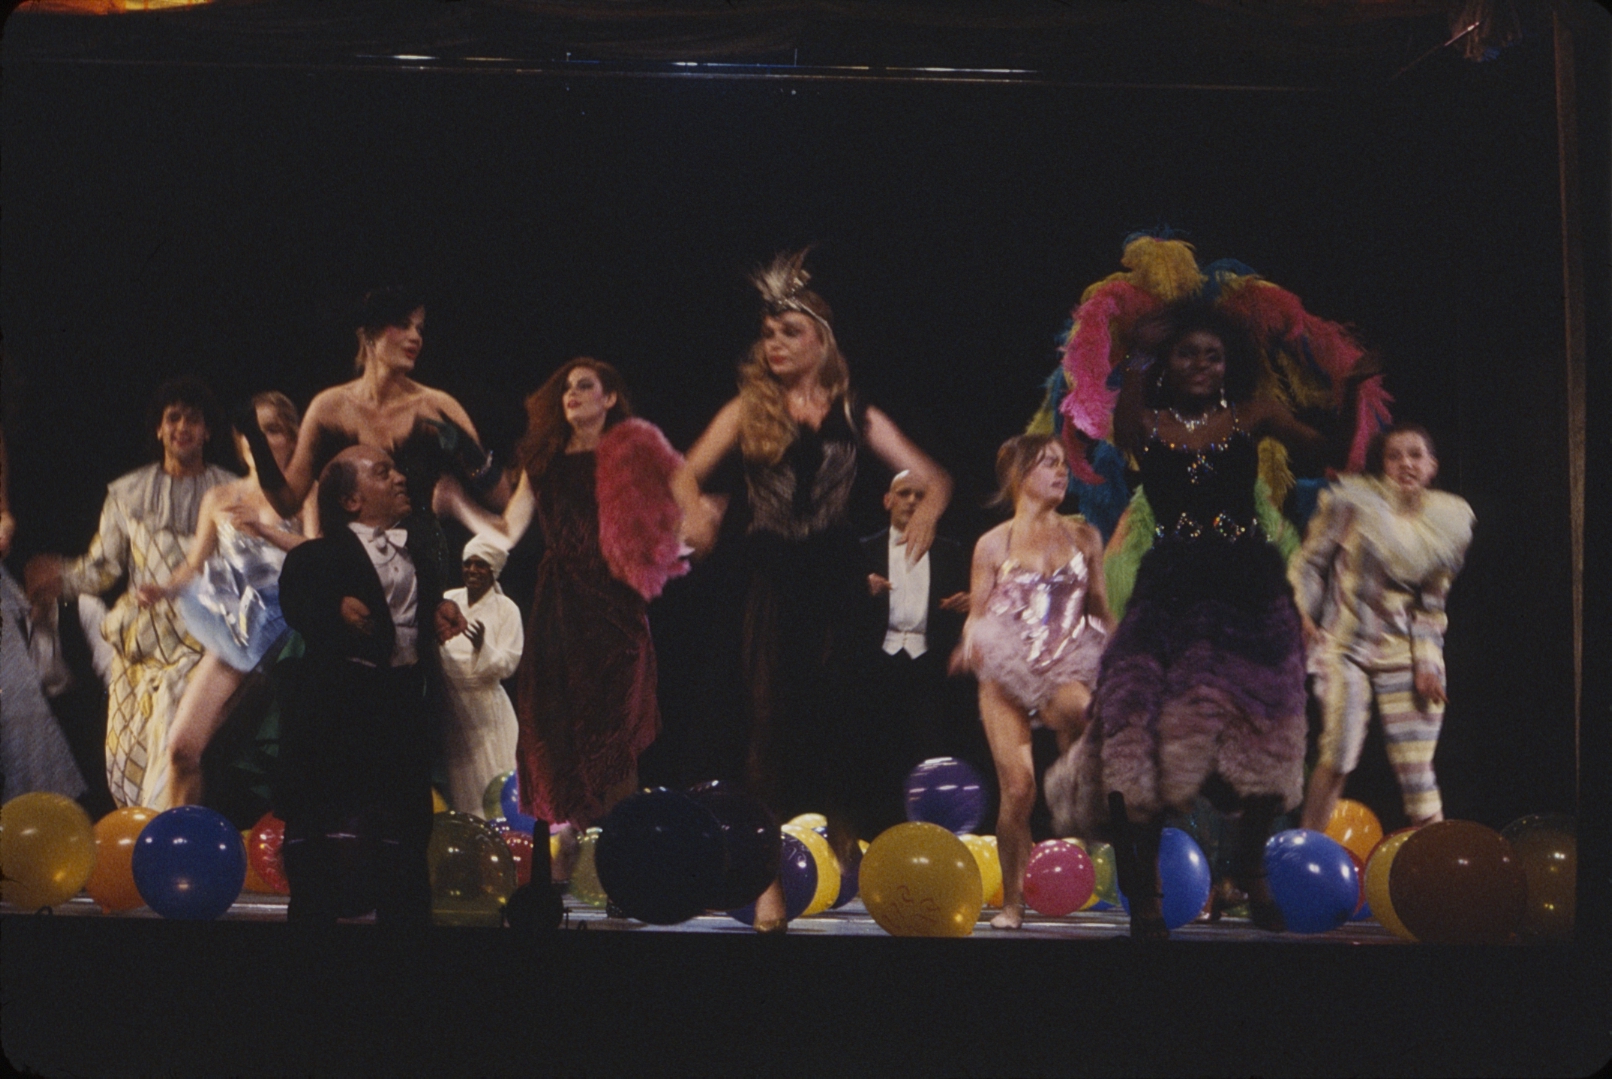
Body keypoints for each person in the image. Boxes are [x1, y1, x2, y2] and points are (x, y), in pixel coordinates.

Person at [1045, 298, 1373, 939]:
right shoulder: (1147, 420)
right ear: (1168, 362)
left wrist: (1354, 388)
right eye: (1187, 353)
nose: (1201, 364)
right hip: (1171, 591)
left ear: (1230, 364)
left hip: (1247, 591)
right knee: (1133, 732)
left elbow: (1331, 451)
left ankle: (1251, 871)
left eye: (1213, 355)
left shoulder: (1254, 413)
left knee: (1267, 738)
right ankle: (1144, 895)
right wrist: (1141, 352)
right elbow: (1126, 429)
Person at [672, 248, 953, 930]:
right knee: (766, 725)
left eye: (789, 332)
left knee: (843, 723)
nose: (774, 343)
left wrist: (928, 510)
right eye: (767, 333)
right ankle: (767, 884)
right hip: (768, 578)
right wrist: (698, 518)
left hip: (834, 580)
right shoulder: (748, 407)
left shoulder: (854, 410)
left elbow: (933, 477)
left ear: (821, 342)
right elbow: (681, 471)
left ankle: (850, 853)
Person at [437, 359, 685, 877]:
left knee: (615, 738)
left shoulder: (630, 456)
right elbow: (508, 531)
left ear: (609, 398)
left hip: (615, 610)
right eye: (567, 387)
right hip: (561, 610)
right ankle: (561, 860)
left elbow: (667, 523)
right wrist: (458, 503)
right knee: (558, 736)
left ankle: (625, 868)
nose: (572, 394)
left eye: (585, 386)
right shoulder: (544, 462)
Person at [273, 444, 466, 926]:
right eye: (383, 473)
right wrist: (332, 606)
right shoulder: (320, 556)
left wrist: (437, 611)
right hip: (343, 712)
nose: (399, 478)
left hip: (401, 708)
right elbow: (296, 595)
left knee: (406, 831)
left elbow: (412, 605)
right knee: (328, 834)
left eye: (395, 469)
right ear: (351, 501)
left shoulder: (415, 552)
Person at [25, 377, 237, 809]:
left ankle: (168, 836)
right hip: (141, 642)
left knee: (172, 753)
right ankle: (137, 840)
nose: (182, 427)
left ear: (208, 432)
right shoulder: (128, 494)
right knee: (125, 764)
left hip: (198, 640)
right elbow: (103, 568)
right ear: (159, 429)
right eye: (173, 418)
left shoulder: (229, 493)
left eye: (193, 419)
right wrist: (60, 576)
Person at [953, 435, 1111, 929]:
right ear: (1020, 475)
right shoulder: (993, 543)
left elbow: (1099, 608)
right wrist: (969, 643)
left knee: (1086, 713)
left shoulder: (1084, 537)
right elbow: (977, 613)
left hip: (1064, 665)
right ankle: (1014, 901)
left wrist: (1123, 649)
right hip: (1006, 670)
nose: (1061, 472)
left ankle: (1074, 792)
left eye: (1063, 464)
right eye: (1048, 463)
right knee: (1019, 789)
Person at [134, 392, 312, 807]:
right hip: (240, 630)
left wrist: (266, 531)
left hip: (294, 633)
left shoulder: (308, 493)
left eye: (271, 430)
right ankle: (181, 840)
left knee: (283, 760)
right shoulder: (220, 497)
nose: (258, 440)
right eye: (250, 432)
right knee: (182, 748)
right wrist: (163, 588)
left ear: (293, 439)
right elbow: (193, 565)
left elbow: (320, 550)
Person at [1293, 424, 1473, 832]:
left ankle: (1435, 863)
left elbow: (1432, 606)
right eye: (1395, 456)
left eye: (1415, 455)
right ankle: (1308, 846)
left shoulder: (1445, 522)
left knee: (1417, 770)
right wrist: (1303, 612)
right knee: (1339, 752)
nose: (1406, 463)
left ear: (1431, 466)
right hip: (1345, 647)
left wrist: (1427, 664)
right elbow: (1311, 562)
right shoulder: (1352, 504)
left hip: (1402, 651)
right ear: (1382, 466)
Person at [857, 469, 972, 836]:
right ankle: (875, 836)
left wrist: (969, 602)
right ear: (887, 500)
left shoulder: (951, 552)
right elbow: (835, 609)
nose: (911, 501)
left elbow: (977, 603)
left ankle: (928, 834)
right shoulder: (863, 551)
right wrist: (860, 589)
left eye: (920, 495)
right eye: (904, 493)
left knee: (929, 753)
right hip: (878, 665)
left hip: (930, 667)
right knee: (876, 755)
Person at [439, 533, 524, 817]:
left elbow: (509, 664)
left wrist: (482, 648)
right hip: (453, 708)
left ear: (493, 570)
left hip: (487, 711)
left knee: (494, 782)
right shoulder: (448, 600)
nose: (472, 570)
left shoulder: (506, 609)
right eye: (468, 563)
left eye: (481, 564)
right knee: (462, 788)